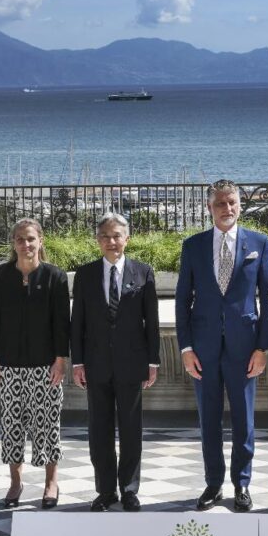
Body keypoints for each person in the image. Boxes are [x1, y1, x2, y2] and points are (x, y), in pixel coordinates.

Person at [175, 179, 268, 512]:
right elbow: (182, 301)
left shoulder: (259, 244)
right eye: (220, 203)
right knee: (209, 420)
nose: (227, 209)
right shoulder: (193, 246)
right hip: (203, 350)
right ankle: (214, 483)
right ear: (209, 207)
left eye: (232, 202)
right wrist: (186, 348)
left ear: (240, 205)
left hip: (245, 349)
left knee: (244, 421)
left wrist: (263, 348)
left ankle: (242, 484)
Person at [71, 212, 160, 512]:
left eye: (116, 236)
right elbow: (77, 323)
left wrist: (154, 362)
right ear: (98, 241)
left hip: (132, 364)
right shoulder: (84, 275)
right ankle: (105, 490)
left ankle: (130, 489)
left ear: (127, 239)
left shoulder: (143, 272)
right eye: (105, 236)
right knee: (100, 430)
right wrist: (77, 362)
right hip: (96, 365)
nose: (111, 241)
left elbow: (152, 322)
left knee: (132, 429)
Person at [0, 218, 69, 509]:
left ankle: (50, 483)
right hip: (10, 364)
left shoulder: (55, 277)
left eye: (31, 239)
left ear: (40, 241)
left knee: (48, 425)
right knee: (12, 425)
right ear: (13, 243)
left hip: (45, 365)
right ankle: (16, 483)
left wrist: (60, 361)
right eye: (20, 239)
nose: (26, 244)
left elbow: (62, 324)